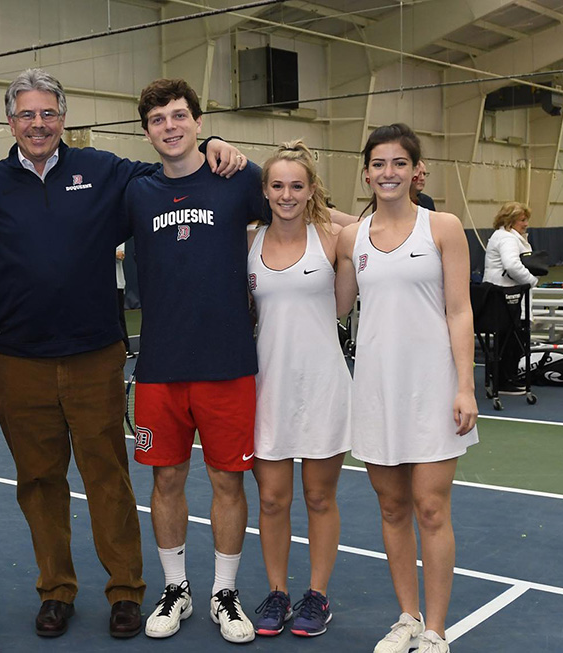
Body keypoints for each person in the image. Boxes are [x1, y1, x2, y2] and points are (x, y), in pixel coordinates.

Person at [0, 68, 246, 640]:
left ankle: (126, 590)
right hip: (18, 358)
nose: (38, 123)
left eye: (48, 113)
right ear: (10, 120)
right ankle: (55, 590)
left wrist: (214, 141)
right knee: (39, 481)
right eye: (26, 113)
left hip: (95, 353)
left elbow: (176, 164)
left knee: (107, 476)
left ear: (63, 117)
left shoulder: (105, 172)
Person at [121, 78, 262, 644]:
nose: (170, 127)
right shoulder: (135, 191)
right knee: (166, 479)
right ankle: (175, 588)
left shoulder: (239, 178)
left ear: (199, 123)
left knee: (229, 481)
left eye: (180, 116)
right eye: (158, 120)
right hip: (159, 366)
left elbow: (299, 203)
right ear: (147, 130)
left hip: (228, 363)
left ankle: (224, 593)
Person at [336, 123, 478, 653]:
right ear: (367, 172)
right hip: (375, 391)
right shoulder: (354, 238)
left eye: (399, 163)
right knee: (392, 508)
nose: (388, 173)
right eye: (378, 164)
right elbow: (337, 304)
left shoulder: (442, 227)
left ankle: (436, 631)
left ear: (415, 171)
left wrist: (465, 386)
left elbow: (459, 310)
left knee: (430, 508)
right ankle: (408, 618)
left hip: (434, 390)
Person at [247, 141, 351, 639]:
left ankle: (316, 596)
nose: (286, 195)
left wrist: (321, 206)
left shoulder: (332, 236)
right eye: (277, 185)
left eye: (297, 185)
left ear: (311, 190)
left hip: (324, 385)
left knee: (318, 497)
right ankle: (277, 593)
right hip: (268, 386)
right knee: (272, 499)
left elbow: (374, 223)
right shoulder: (248, 238)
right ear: (263, 190)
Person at [483, 201, 538, 391]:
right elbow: (512, 265)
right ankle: (504, 380)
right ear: (511, 220)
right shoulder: (507, 239)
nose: (526, 224)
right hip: (505, 298)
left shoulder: (504, 236)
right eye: (523, 220)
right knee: (510, 339)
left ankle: (505, 376)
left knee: (510, 339)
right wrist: (531, 281)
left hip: (504, 296)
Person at [116, 243, 134, 358]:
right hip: (100, 284)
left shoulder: (117, 237)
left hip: (117, 283)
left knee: (118, 316)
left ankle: (125, 348)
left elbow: (120, 255)